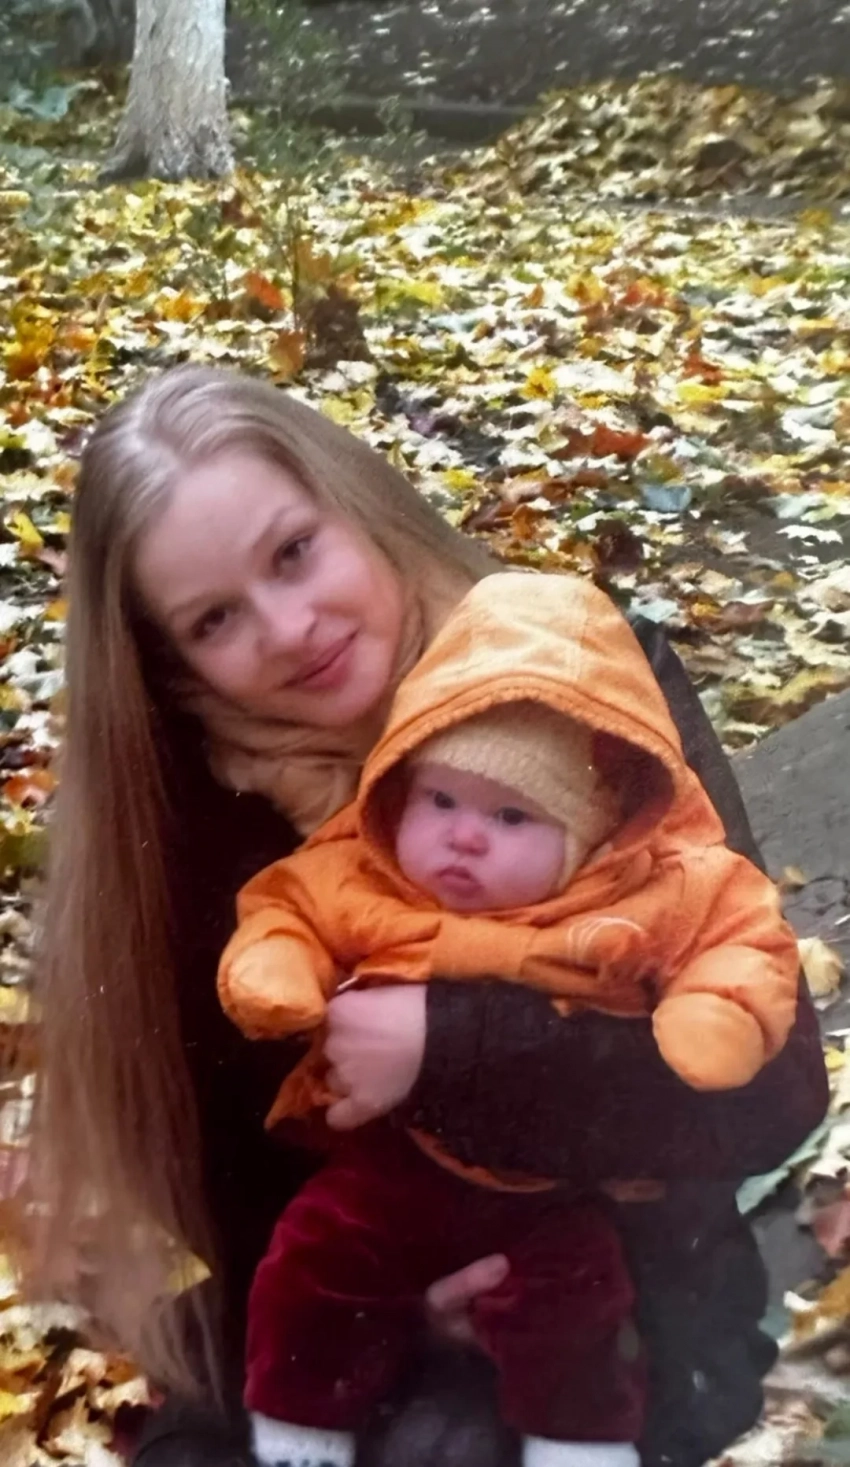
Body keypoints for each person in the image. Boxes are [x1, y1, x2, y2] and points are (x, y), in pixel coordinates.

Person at [27, 364, 828, 1467]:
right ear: (171, 666)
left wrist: (451, 1047)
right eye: (215, 618)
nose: (289, 627)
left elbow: (769, 1094)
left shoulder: (581, 682)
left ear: (356, 507)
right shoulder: (197, 807)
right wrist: (395, 1297)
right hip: (340, 1274)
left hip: (633, 1280)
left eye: (293, 552)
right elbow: (218, 1170)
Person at [216, 570, 800, 1467]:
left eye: (512, 814)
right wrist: (279, 970)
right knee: (315, 1259)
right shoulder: (367, 870)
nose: (463, 835)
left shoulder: (629, 894)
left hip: (554, 1186)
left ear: (585, 838)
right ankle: (299, 1434)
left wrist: (713, 1009)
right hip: (391, 1169)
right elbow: (289, 906)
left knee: (576, 1300)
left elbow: (737, 934)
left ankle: (578, 1448)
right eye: (440, 800)